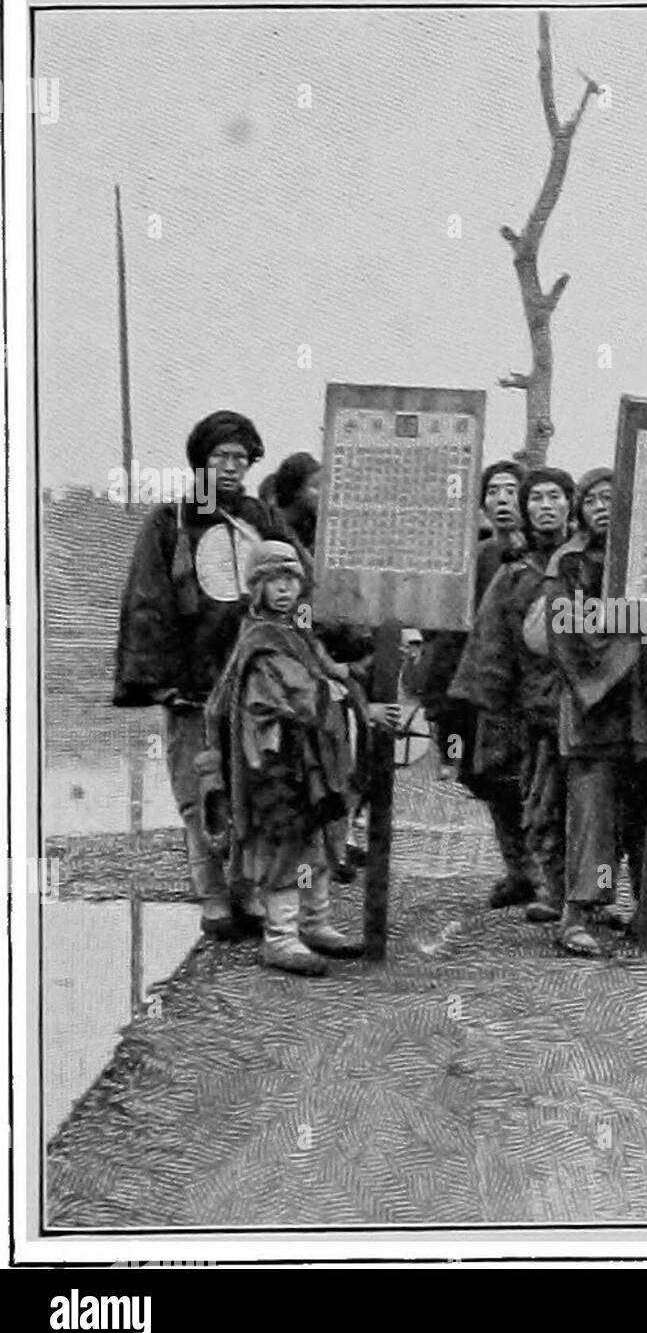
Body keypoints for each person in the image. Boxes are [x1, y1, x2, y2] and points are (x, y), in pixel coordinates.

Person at [113, 409, 300, 939]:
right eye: (221, 457)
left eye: (241, 458)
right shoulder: (170, 523)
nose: (231, 467)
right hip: (193, 684)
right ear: (201, 461)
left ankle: (252, 892)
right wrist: (155, 679)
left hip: (255, 684)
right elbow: (148, 603)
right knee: (200, 791)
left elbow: (297, 582)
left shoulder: (263, 520)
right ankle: (214, 896)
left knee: (259, 785)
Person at [544, 467, 647, 956]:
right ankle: (575, 916)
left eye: (612, 498)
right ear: (579, 510)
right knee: (594, 814)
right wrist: (642, 637)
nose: (602, 507)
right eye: (592, 500)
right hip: (598, 716)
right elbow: (569, 626)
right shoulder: (568, 564)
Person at [203, 538, 372, 975]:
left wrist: (345, 673)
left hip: (306, 757)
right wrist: (347, 696)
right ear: (256, 587)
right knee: (284, 844)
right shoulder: (263, 640)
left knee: (312, 842)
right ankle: (280, 937)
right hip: (275, 763)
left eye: (291, 579)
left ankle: (314, 923)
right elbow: (300, 693)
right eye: (273, 580)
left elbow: (321, 669)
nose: (284, 589)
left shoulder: (293, 629)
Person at [448, 464, 576, 923]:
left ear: (569, 503)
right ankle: (527, 874)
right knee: (507, 786)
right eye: (536, 499)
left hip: (575, 697)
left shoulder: (584, 560)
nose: (546, 507)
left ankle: (574, 890)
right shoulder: (508, 567)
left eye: (555, 497)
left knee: (569, 794)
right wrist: (486, 696)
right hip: (517, 696)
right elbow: (491, 634)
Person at [414, 460, 533, 906]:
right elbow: (447, 629)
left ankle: (546, 874)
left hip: (531, 689)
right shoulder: (476, 558)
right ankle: (518, 869)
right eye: (494, 492)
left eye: (511, 491)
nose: (503, 501)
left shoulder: (545, 555)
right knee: (491, 779)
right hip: (480, 687)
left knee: (533, 781)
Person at [260, 451, 322, 553]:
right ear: (295, 490)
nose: (323, 493)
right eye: (315, 486)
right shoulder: (269, 523)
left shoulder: (312, 524)